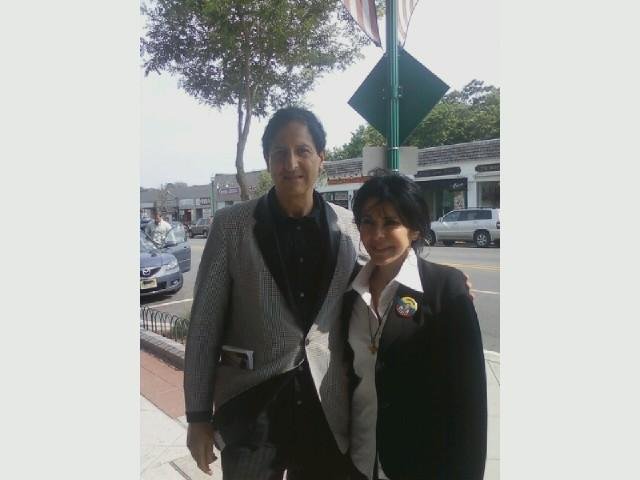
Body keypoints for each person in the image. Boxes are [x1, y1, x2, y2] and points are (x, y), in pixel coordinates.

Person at [183, 107, 363, 479]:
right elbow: (203, 328)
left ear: (321, 159)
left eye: (303, 150)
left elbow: (380, 273)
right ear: (267, 161)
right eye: (279, 153)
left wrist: (444, 281)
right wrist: (198, 418)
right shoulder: (232, 226)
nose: (291, 162)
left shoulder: (347, 227)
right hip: (252, 407)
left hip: (324, 405)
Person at [343, 173, 487, 480]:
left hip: (418, 464)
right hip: (358, 460)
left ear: (415, 229)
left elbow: (469, 403)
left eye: (390, 222)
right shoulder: (349, 291)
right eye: (367, 222)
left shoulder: (445, 289)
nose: (376, 234)